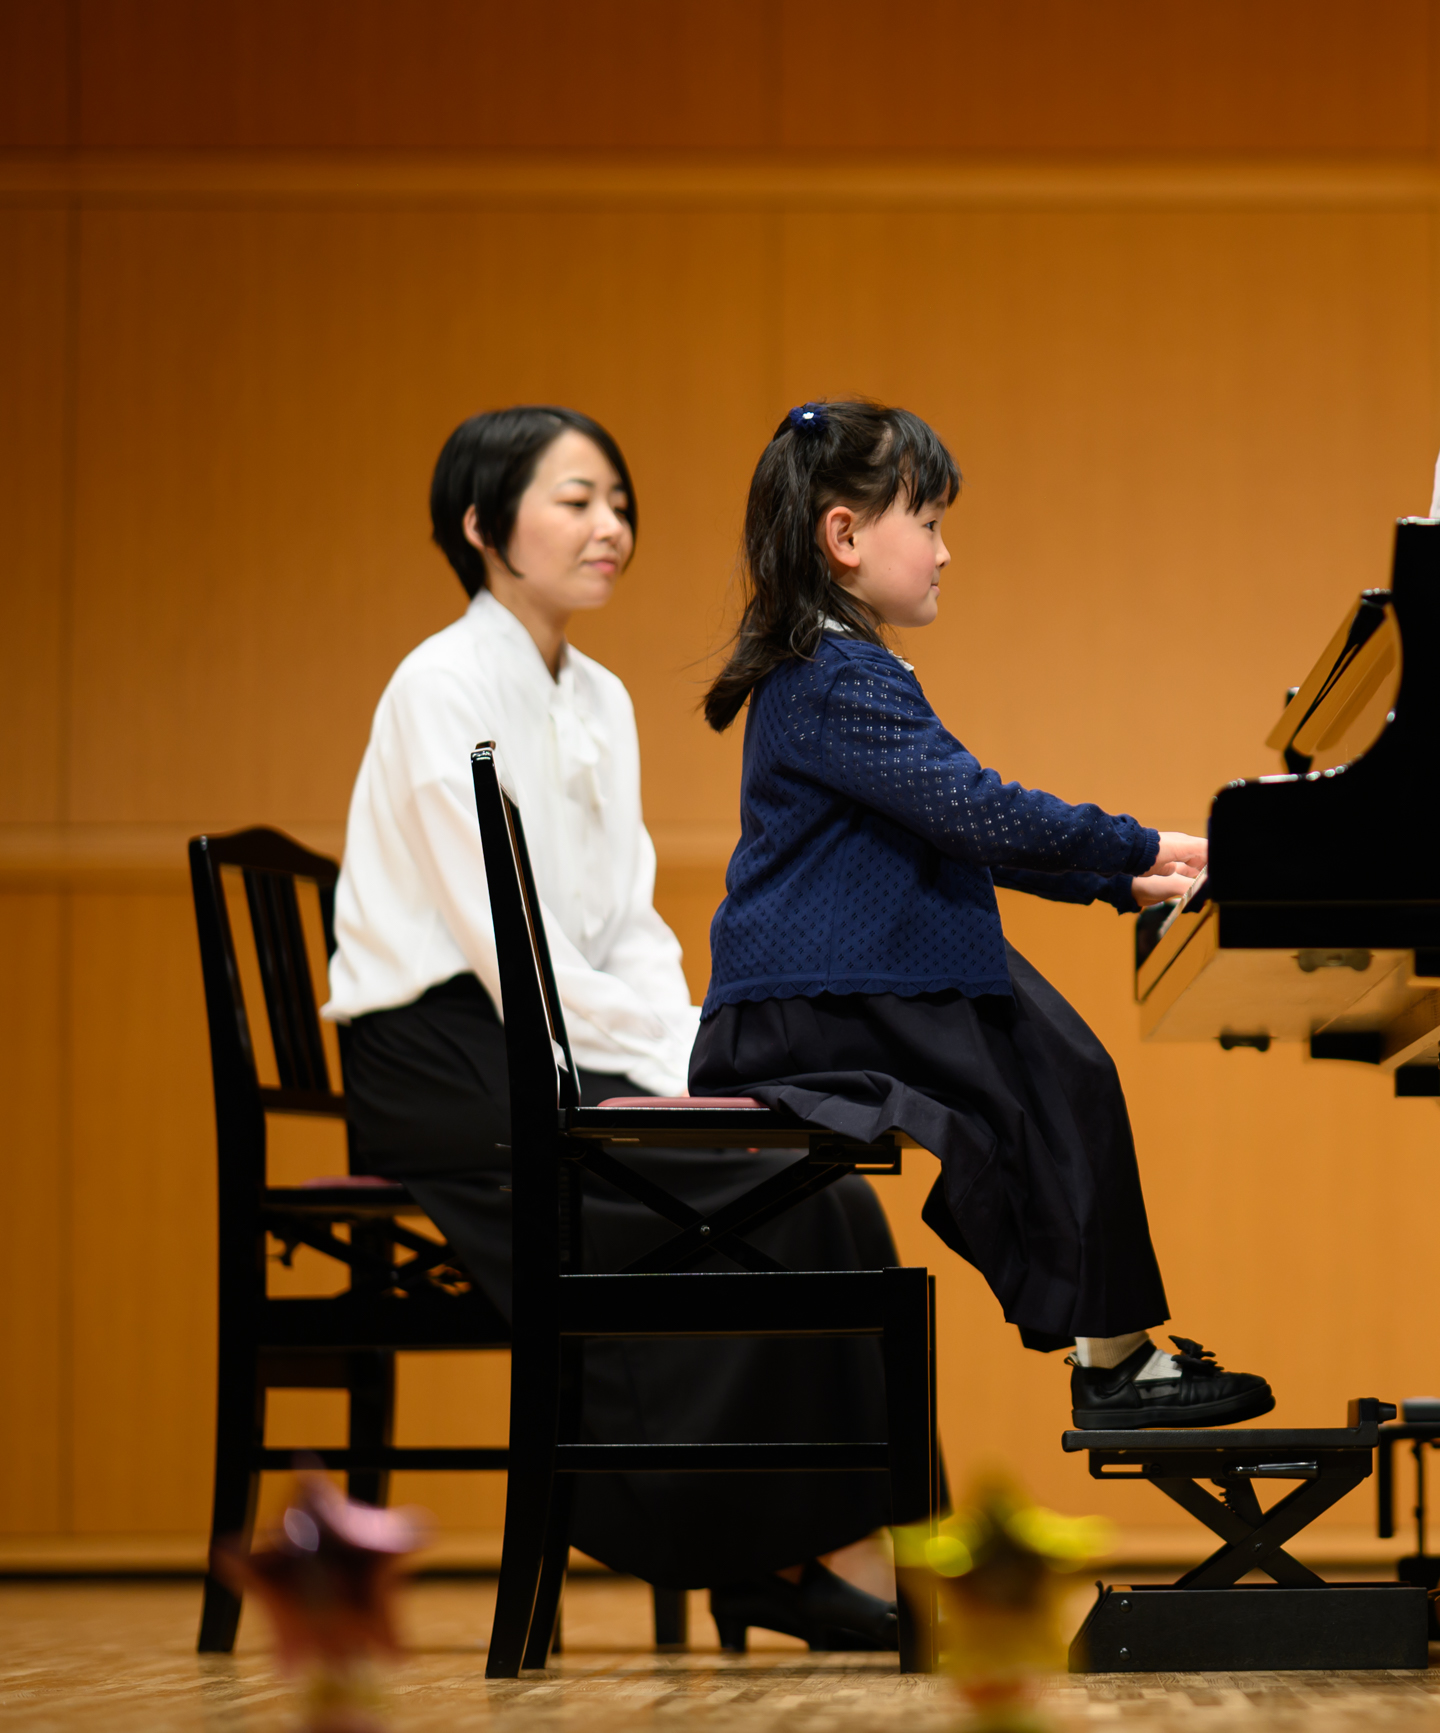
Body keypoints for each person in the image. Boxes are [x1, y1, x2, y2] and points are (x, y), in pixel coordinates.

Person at [322, 405, 907, 1650]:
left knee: (822, 1194)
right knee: (751, 1205)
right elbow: (505, 942)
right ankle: (766, 1552)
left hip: (552, 1041)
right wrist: (659, 1073)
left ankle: (800, 1555)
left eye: (619, 502)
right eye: (576, 499)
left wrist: (694, 1053)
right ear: (483, 527)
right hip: (449, 1057)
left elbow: (626, 923)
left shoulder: (601, 694)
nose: (610, 526)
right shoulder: (439, 682)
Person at [692, 399, 1274, 1430]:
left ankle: (1109, 1353)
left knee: (1063, 1070)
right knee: (1063, 1072)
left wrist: (1120, 873)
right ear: (843, 536)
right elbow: (974, 808)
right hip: (809, 1003)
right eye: (926, 521)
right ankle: (1111, 1360)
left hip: (845, 981)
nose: (945, 551)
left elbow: (960, 825)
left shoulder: (832, 665)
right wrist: (1134, 848)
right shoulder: (835, 677)